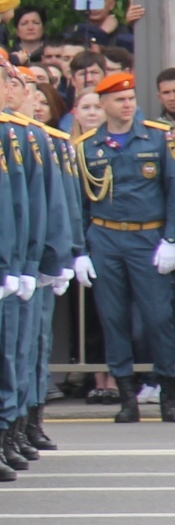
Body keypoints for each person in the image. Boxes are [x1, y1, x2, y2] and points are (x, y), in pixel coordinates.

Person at [72, 71, 175, 421]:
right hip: (106, 237)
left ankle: (169, 394)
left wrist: (171, 239)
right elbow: (79, 204)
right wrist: (80, 250)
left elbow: (172, 189)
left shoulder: (158, 138)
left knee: (159, 317)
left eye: (131, 98)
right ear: (103, 105)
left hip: (149, 237)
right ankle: (126, 397)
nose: (128, 104)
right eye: (119, 99)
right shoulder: (87, 146)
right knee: (112, 317)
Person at [66, 0, 142, 52]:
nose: (93, 7)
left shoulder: (123, 33)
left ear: (111, 4)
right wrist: (102, 32)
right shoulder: (75, 31)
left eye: (98, 0)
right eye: (88, 1)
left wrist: (133, 26)